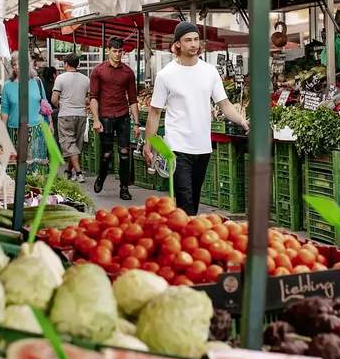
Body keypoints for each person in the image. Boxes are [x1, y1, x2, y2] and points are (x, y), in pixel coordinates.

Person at [144, 22, 249, 215]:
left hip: (202, 146)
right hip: (176, 147)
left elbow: (224, 104)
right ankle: (186, 238)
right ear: (177, 44)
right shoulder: (165, 75)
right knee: (185, 201)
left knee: (194, 199)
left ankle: (183, 235)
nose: (193, 44)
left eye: (196, 39)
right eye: (188, 40)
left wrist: (242, 121)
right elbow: (155, 112)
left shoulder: (209, 71)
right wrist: (148, 143)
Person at [89, 37, 140, 201]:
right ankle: (101, 177)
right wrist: (96, 119)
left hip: (123, 116)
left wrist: (137, 123)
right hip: (105, 116)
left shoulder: (128, 73)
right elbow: (94, 97)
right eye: (114, 51)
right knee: (106, 153)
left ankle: (124, 187)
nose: (117, 54)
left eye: (120, 51)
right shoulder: (98, 71)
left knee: (125, 153)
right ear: (108, 50)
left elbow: (133, 99)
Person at [52, 53, 90, 182]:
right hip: (81, 115)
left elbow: (54, 99)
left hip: (65, 115)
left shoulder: (60, 78)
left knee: (68, 144)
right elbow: (88, 99)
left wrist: (61, 105)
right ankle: (68, 171)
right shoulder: (86, 79)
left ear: (66, 64)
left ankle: (79, 173)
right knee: (75, 145)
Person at [0, 62, 46, 167]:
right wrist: (2, 134)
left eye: (19, 63)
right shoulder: (7, 86)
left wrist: (50, 123)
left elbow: (45, 104)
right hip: (15, 130)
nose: (16, 66)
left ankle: (33, 182)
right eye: (14, 64)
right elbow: (4, 111)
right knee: (17, 166)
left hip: (36, 130)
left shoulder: (37, 82)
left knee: (35, 166)